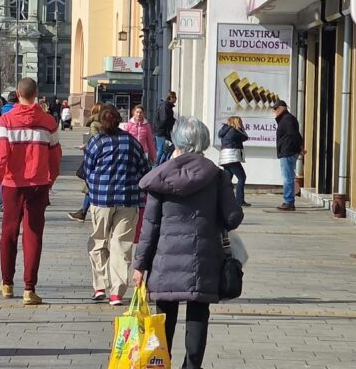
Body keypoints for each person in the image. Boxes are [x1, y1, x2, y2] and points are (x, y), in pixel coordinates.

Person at [133, 116, 244, 369]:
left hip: (165, 261)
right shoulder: (216, 176)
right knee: (198, 314)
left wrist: (139, 266)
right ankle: (192, 366)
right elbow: (232, 218)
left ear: (177, 141)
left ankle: (161, 362)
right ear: (203, 142)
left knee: (164, 317)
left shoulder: (160, 178)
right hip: (203, 260)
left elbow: (149, 227)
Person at [0, 78, 62, 306]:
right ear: (36, 94)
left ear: (17, 93)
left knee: (8, 233)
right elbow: (55, 155)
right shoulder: (49, 121)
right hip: (38, 184)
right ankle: (29, 289)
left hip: (12, 184)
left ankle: (7, 283)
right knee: (33, 235)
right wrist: (50, 180)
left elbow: (1, 154)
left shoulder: (6, 120)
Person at [83, 107, 151, 306]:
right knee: (122, 245)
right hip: (128, 200)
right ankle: (117, 292)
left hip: (101, 199)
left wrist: (96, 184)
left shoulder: (96, 142)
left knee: (98, 241)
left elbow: (87, 169)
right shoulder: (131, 142)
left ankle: (100, 286)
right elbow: (144, 169)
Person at [67, 102, 106, 223]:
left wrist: (86, 146)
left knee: (90, 185)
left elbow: (96, 140)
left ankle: (83, 212)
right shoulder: (105, 123)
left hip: (96, 157)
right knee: (91, 186)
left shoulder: (94, 124)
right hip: (105, 155)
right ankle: (83, 211)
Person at [273, 99, 304, 211]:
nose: (274, 111)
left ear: (282, 108)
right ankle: (288, 201)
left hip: (288, 151)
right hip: (288, 151)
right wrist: (299, 147)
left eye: (276, 109)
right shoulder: (286, 119)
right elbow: (296, 134)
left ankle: (288, 202)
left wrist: (298, 147)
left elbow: (294, 135)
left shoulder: (287, 119)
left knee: (287, 178)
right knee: (288, 176)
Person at [217, 116, 251, 207]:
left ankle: (222, 199)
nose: (241, 123)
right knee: (242, 177)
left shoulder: (225, 130)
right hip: (232, 157)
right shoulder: (234, 131)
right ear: (236, 122)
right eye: (240, 122)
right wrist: (241, 128)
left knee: (227, 180)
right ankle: (240, 200)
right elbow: (245, 137)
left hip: (224, 158)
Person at [152, 92, 177, 166]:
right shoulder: (165, 106)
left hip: (162, 131)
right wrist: (171, 126)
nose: (176, 99)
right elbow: (164, 119)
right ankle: (156, 165)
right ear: (171, 97)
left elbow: (168, 119)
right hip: (161, 131)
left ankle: (161, 163)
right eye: (175, 97)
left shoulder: (166, 106)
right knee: (161, 149)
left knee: (165, 148)